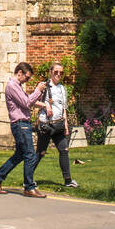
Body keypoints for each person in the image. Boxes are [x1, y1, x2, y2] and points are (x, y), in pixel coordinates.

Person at [0, 63, 47, 198]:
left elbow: (26, 101)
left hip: (22, 124)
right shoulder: (12, 86)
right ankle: (29, 187)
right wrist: (37, 90)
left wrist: (41, 100)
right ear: (19, 72)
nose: (27, 81)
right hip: (21, 124)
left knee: (20, 155)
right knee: (30, 155)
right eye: (27, 78)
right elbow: (26, 103)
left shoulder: (17, 86)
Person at [34, 61, 78, 189]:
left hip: (58, 125)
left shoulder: (62, 88)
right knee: (40, 153)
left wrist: (65, 125)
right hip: (46, 124)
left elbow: (63, 108)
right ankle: (28, 178)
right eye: (56, 72)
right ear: (50, 72)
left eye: (61, 72)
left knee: (64, 150)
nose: (58, 75)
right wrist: (46, 105)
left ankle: (68, 180)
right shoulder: (43, 86)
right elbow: (32, 101)